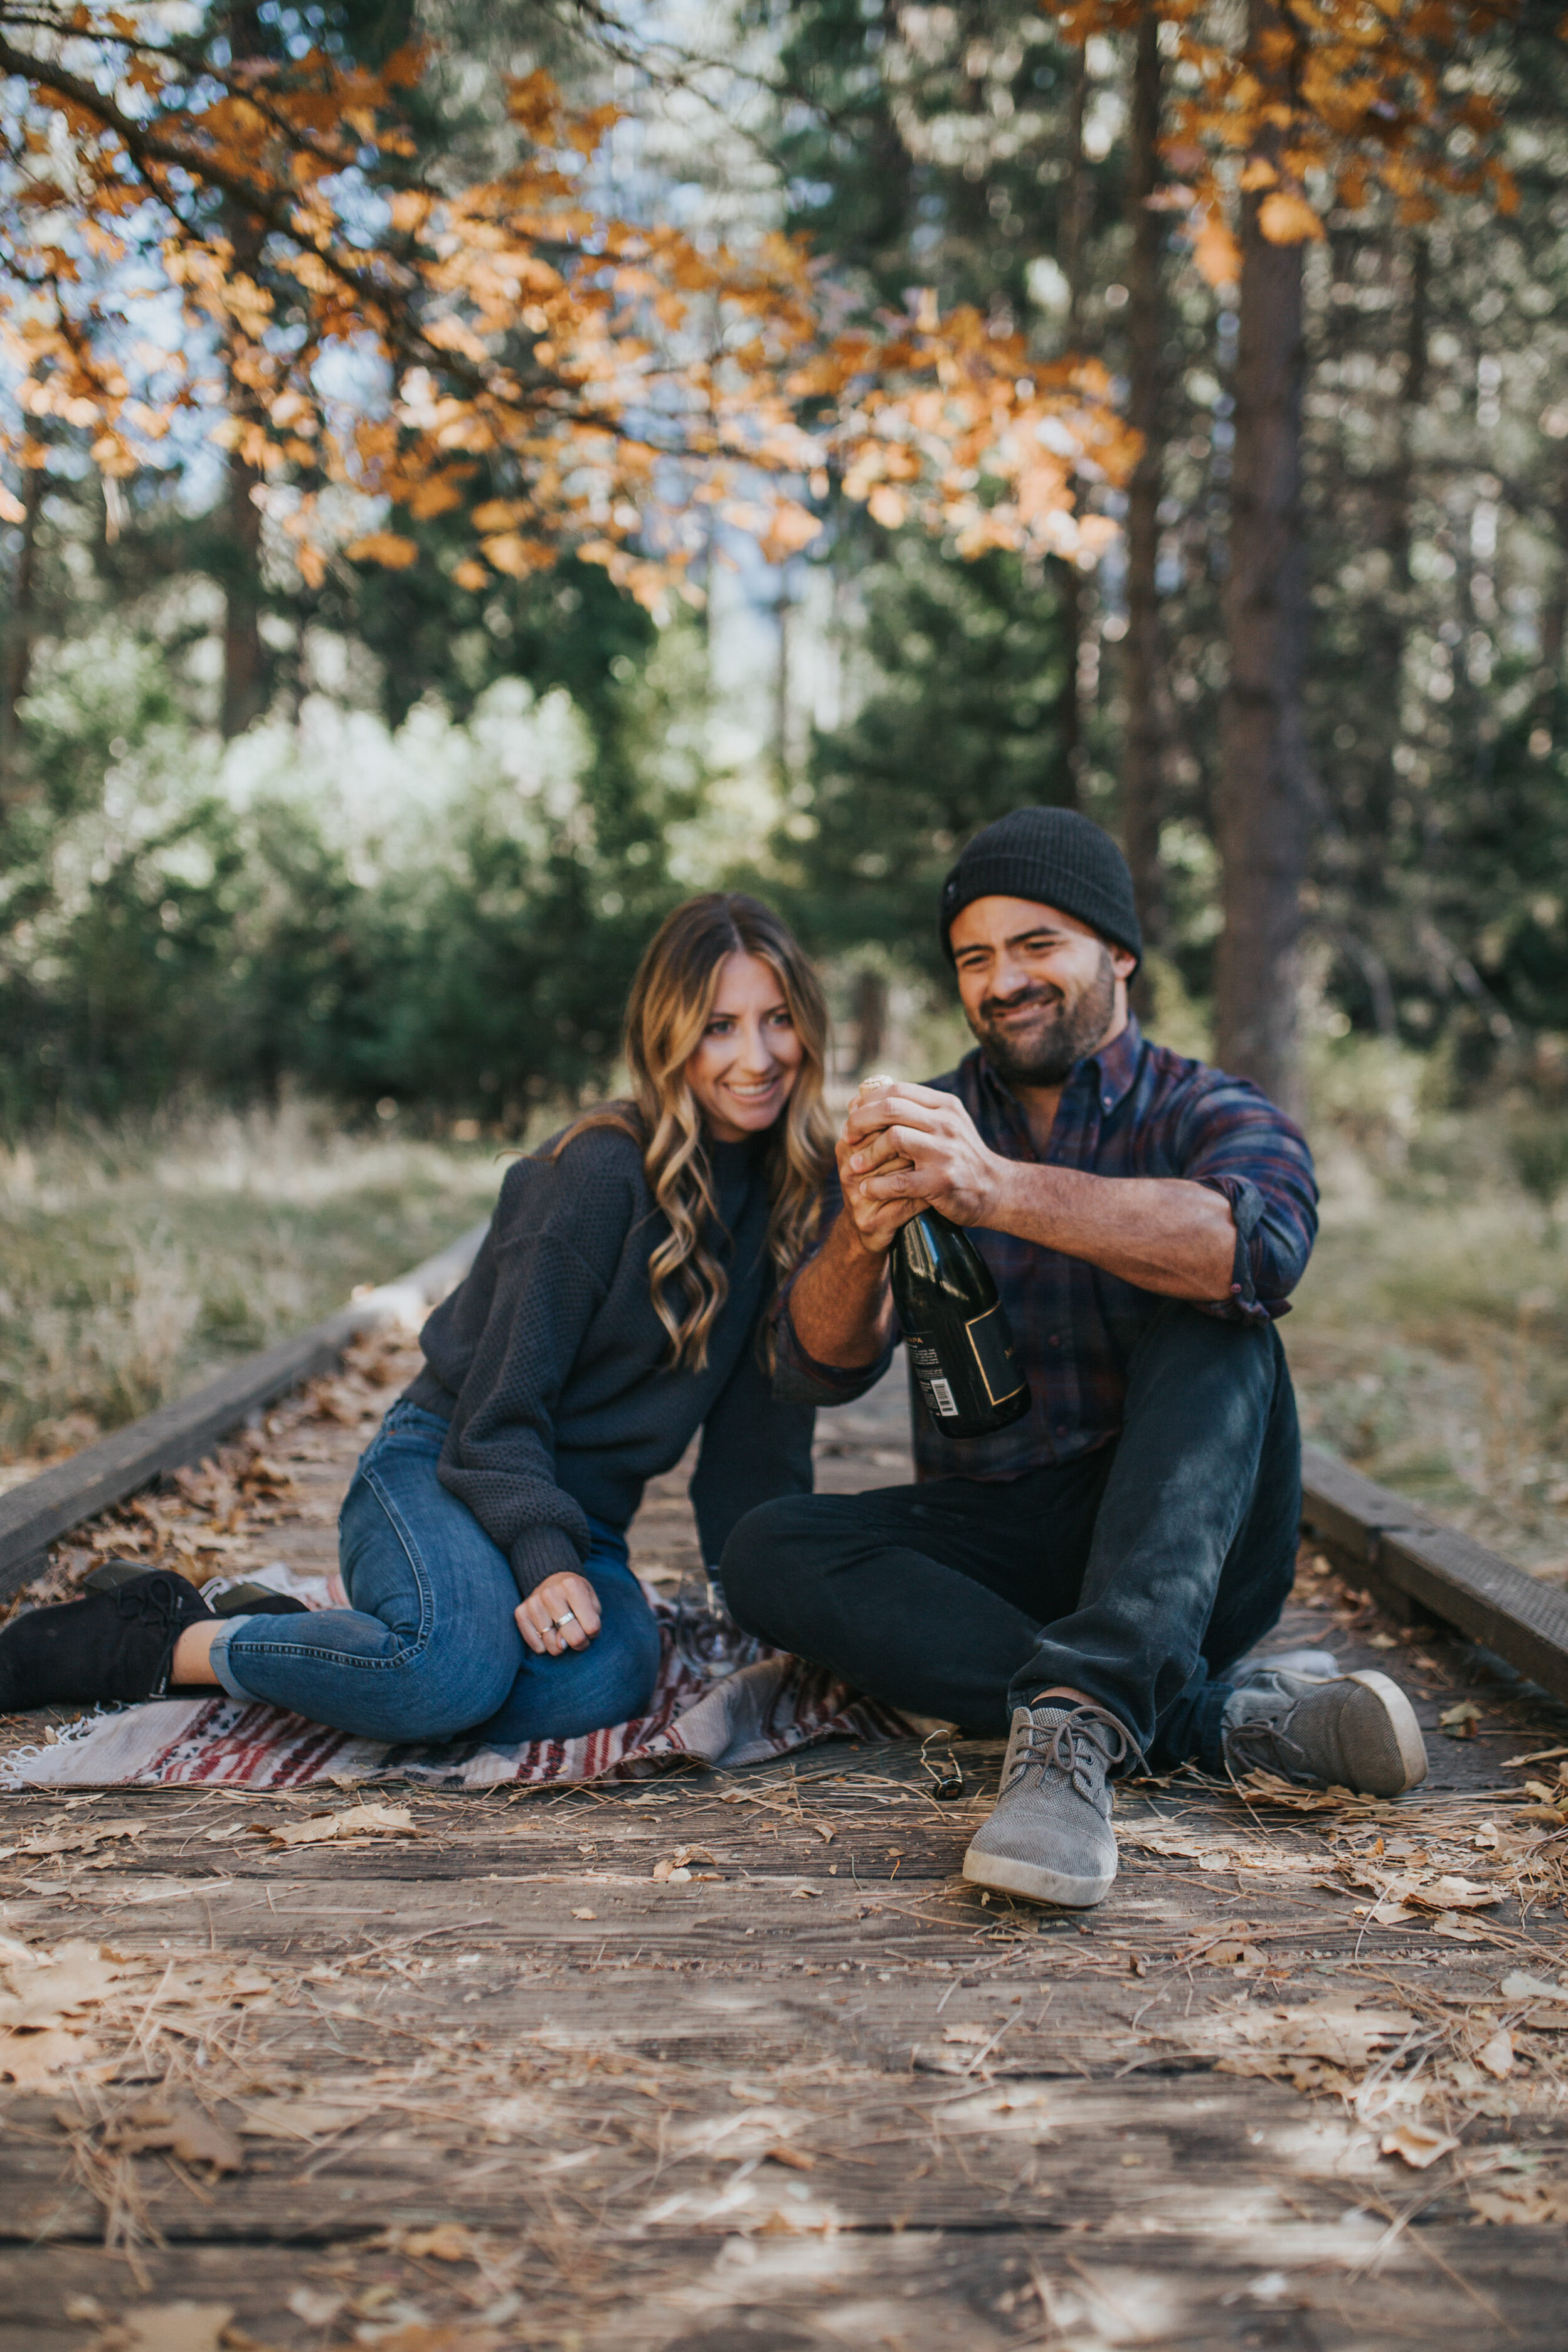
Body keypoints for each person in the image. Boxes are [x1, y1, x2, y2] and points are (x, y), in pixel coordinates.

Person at [721, 807, 1429, 1910]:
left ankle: (1084, 1724)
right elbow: (818, 1366)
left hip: (1189, 1553)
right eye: (975, 957)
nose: (1003, 980)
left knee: (1218, 1297)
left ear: (1119, 954)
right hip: (1002, 1536)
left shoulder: (1213, 1111)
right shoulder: (925, 1124)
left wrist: (998, 1189)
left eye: (1037, 944)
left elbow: (1261, 1248)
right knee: (766, 1549)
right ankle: (1196, 1719)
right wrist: (859, 1237)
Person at [0, 894, 839, 1747]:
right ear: (668, 1035)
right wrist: (545, 1565)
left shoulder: (796, 1196)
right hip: (441, 1469)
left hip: (578, 1520)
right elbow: (497, 1413)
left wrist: (777, 1608)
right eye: (721, 1026)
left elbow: (755, 1450)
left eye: (778, 1020)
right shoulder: (595, 1174)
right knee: (444, 1674)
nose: (758, 1056)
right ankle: (157, 1637)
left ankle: (317, 1639)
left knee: (603, 1682)